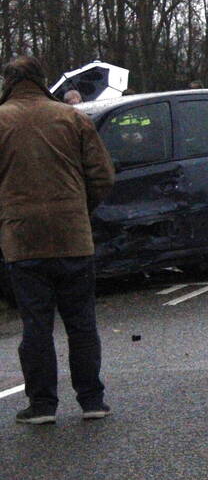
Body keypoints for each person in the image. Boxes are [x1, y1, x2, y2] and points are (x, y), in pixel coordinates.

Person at [0, 56, 116, 425]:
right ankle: (91, 400)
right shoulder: (72, 118)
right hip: (72, 235)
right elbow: (102, 175)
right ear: (41, 80)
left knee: (36, 324)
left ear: (8, 82)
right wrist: (79, 208)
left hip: (22, 238)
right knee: (81, 322)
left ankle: (43, 405)